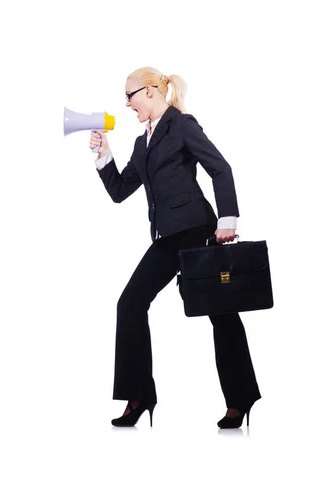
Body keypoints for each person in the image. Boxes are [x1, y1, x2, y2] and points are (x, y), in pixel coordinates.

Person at [90, 66, 261, 429]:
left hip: (199, 228)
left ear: (150, 92)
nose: (127, 104)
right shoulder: (142, 143)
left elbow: (220, 168)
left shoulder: (182, 125)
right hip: (167, 237)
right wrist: (104, 155)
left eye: (129, 96)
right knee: (130, 303)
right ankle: (139, 396)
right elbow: (120, 191)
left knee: (221, 312)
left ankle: (241, 398)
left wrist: (227, 220)